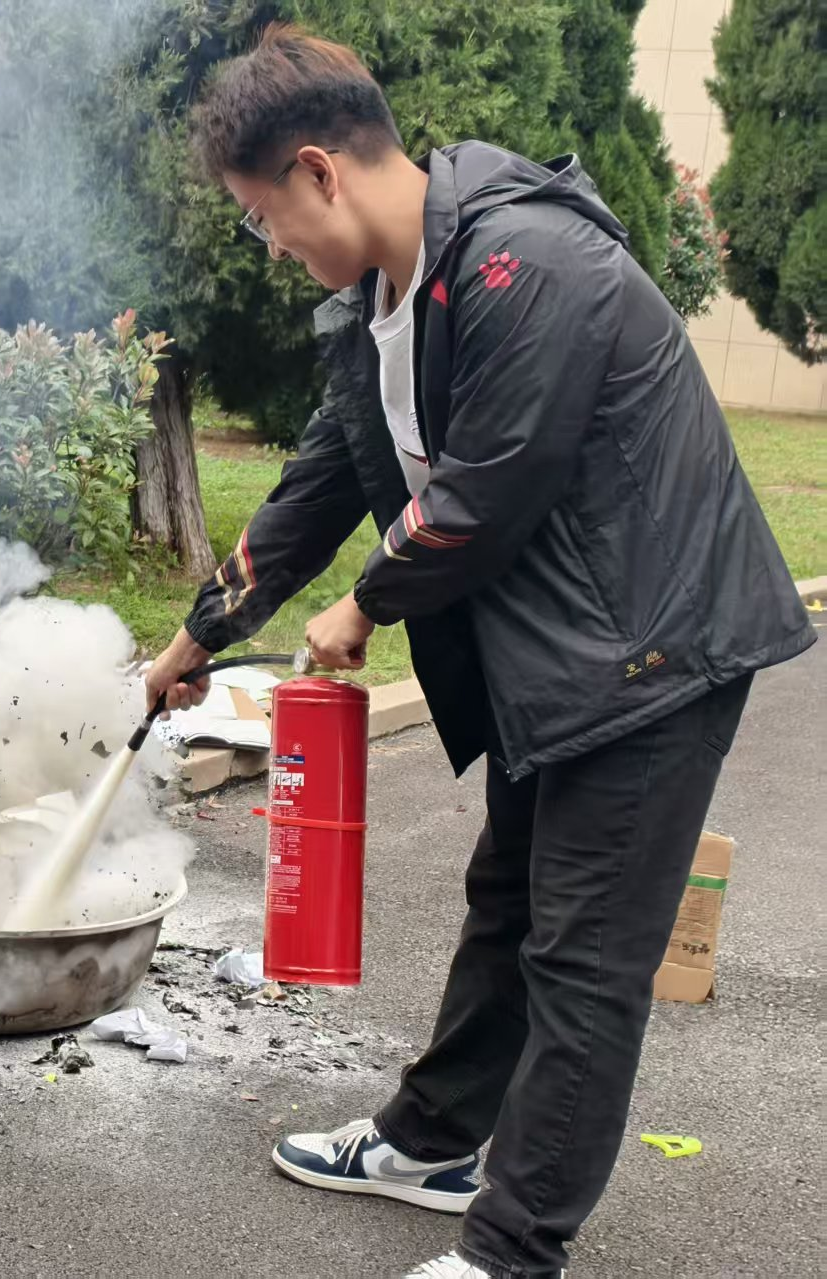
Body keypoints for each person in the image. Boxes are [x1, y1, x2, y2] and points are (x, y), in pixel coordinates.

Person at [143, 23, 816, 1279]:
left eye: (260, 218)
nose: (268, 245)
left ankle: (511, 1250)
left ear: (317, 171)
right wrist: (197, 633)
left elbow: (489, 484)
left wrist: (363, 605)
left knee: (584, 960)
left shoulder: (528, 260)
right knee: (509, 905)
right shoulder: (376, 305)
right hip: (557, 655)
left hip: (652, 652)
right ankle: (432, 1141)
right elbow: (319, 482)